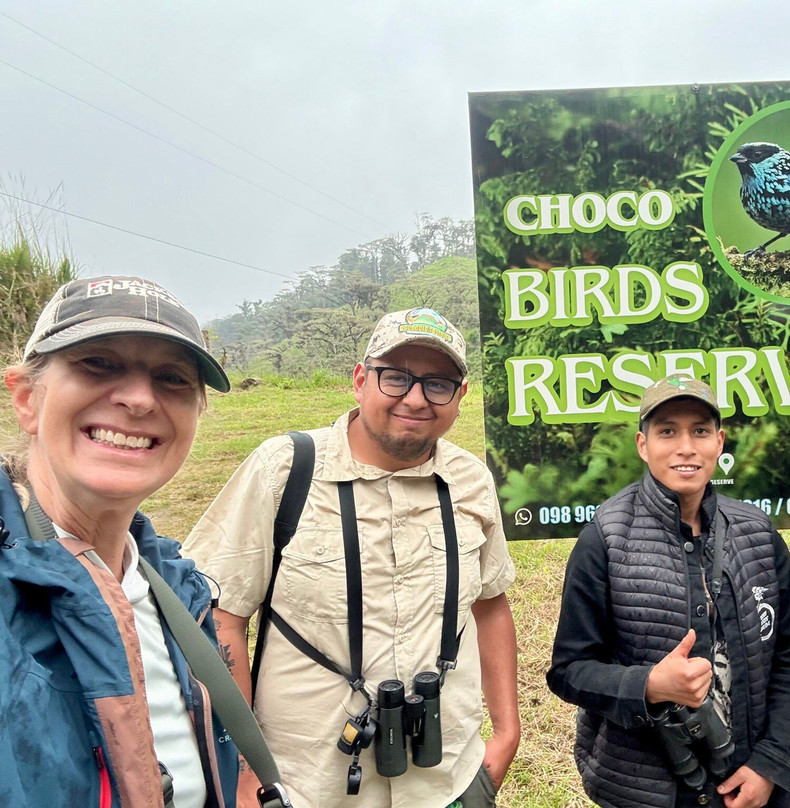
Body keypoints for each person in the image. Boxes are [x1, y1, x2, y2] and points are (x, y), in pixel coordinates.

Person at [184, 307, 519, 808]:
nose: (415, 398)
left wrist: (507, 732)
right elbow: (222, 617)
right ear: (360, 379)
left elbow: (491, 604)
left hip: (450, 778)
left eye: (438, 384)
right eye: (396, 377)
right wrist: (244, 770)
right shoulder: (286, 469)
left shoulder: (470, 480)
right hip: (309, 786)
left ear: (460, 397)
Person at [0, 275, 239, 807]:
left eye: (172, 378)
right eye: (98, 364)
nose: (137, 399)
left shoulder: (177, 587)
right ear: (26, 399)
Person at [547, 375, 790, 808]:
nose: (685, 447)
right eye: (667, 431)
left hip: (754, 782)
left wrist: (772, 761)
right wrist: (647, 685)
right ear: (642, 445)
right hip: (647, 788)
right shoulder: (605, 539)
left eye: (700, 431)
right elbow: (569, 671)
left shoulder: (758, 534)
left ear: (720, 442)